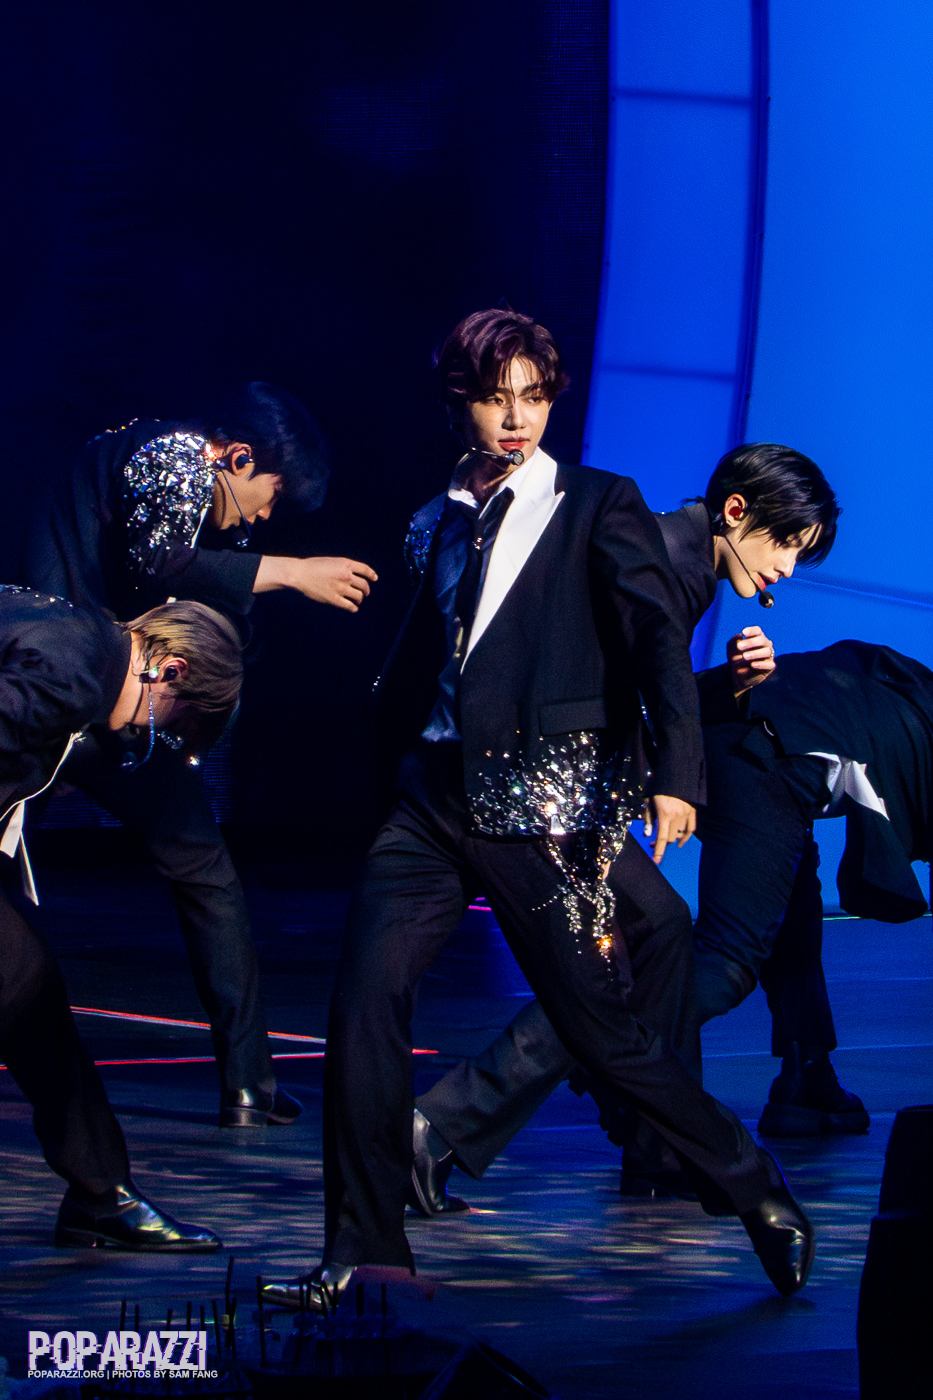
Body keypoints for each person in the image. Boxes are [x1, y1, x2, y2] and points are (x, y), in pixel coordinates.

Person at [262, 310, 815, 1309]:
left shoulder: (600, 503)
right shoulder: (434, 519)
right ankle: (367, 1248)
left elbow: (652, 644)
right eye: (494, 397)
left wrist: (678, 771)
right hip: (430, 801)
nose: (516, 417)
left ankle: (753, 1184)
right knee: (362, 1003)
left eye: (533, 396)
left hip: (540, 810)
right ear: (459, 406)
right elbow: (436, 655)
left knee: (599, 1027)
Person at [409, 442, 843, 1208]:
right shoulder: (667, 557)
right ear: (735, 511)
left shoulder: (678, 554)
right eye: (783, 543)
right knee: (626, 955)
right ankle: (442, 1129)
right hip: (540, 787)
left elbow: (623, 686)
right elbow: (593, 686)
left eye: (797, 555)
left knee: (661, 933)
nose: (783, 568)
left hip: (550, 779)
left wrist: (723, 686)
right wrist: (673, 781)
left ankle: (655, 1148)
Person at [7, 383, 378, 1126]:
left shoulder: (180, 488)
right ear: (237, 457)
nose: (264, 518)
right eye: (271, 495)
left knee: (206, 873)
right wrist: (291, 571)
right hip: (61, 691)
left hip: (112, 705)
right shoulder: (169, 452)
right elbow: (166, 564)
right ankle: (248, 1083)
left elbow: (195, 596)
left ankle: (249, 1082)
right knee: (200, 876)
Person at [0, 587, 243, 1250]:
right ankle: (101, 1192)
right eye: (175, 725)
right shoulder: (74, 672)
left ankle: (100, 1192)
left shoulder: (73, 634)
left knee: (28, 987)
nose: (154, 736)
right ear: (172, 672)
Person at [691, 639, 933, 1137]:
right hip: (759, 758)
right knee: (724, 964)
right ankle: (581, 1041)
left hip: (728, 733)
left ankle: (808, 1071)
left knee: (792, 886)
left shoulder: (901, 679)